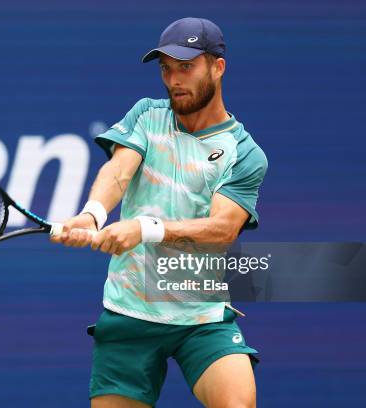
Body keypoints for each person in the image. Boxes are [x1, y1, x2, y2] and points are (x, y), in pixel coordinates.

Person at [52, 17, 267, 408]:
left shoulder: (244, 153)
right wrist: (92, 216)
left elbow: (222, 229)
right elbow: (119, 172)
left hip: (201, 315)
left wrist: (145, 229)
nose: (173, 80)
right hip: (130, 311)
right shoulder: (146, 116)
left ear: (218, 67)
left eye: (186, 67)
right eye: (166, 69)